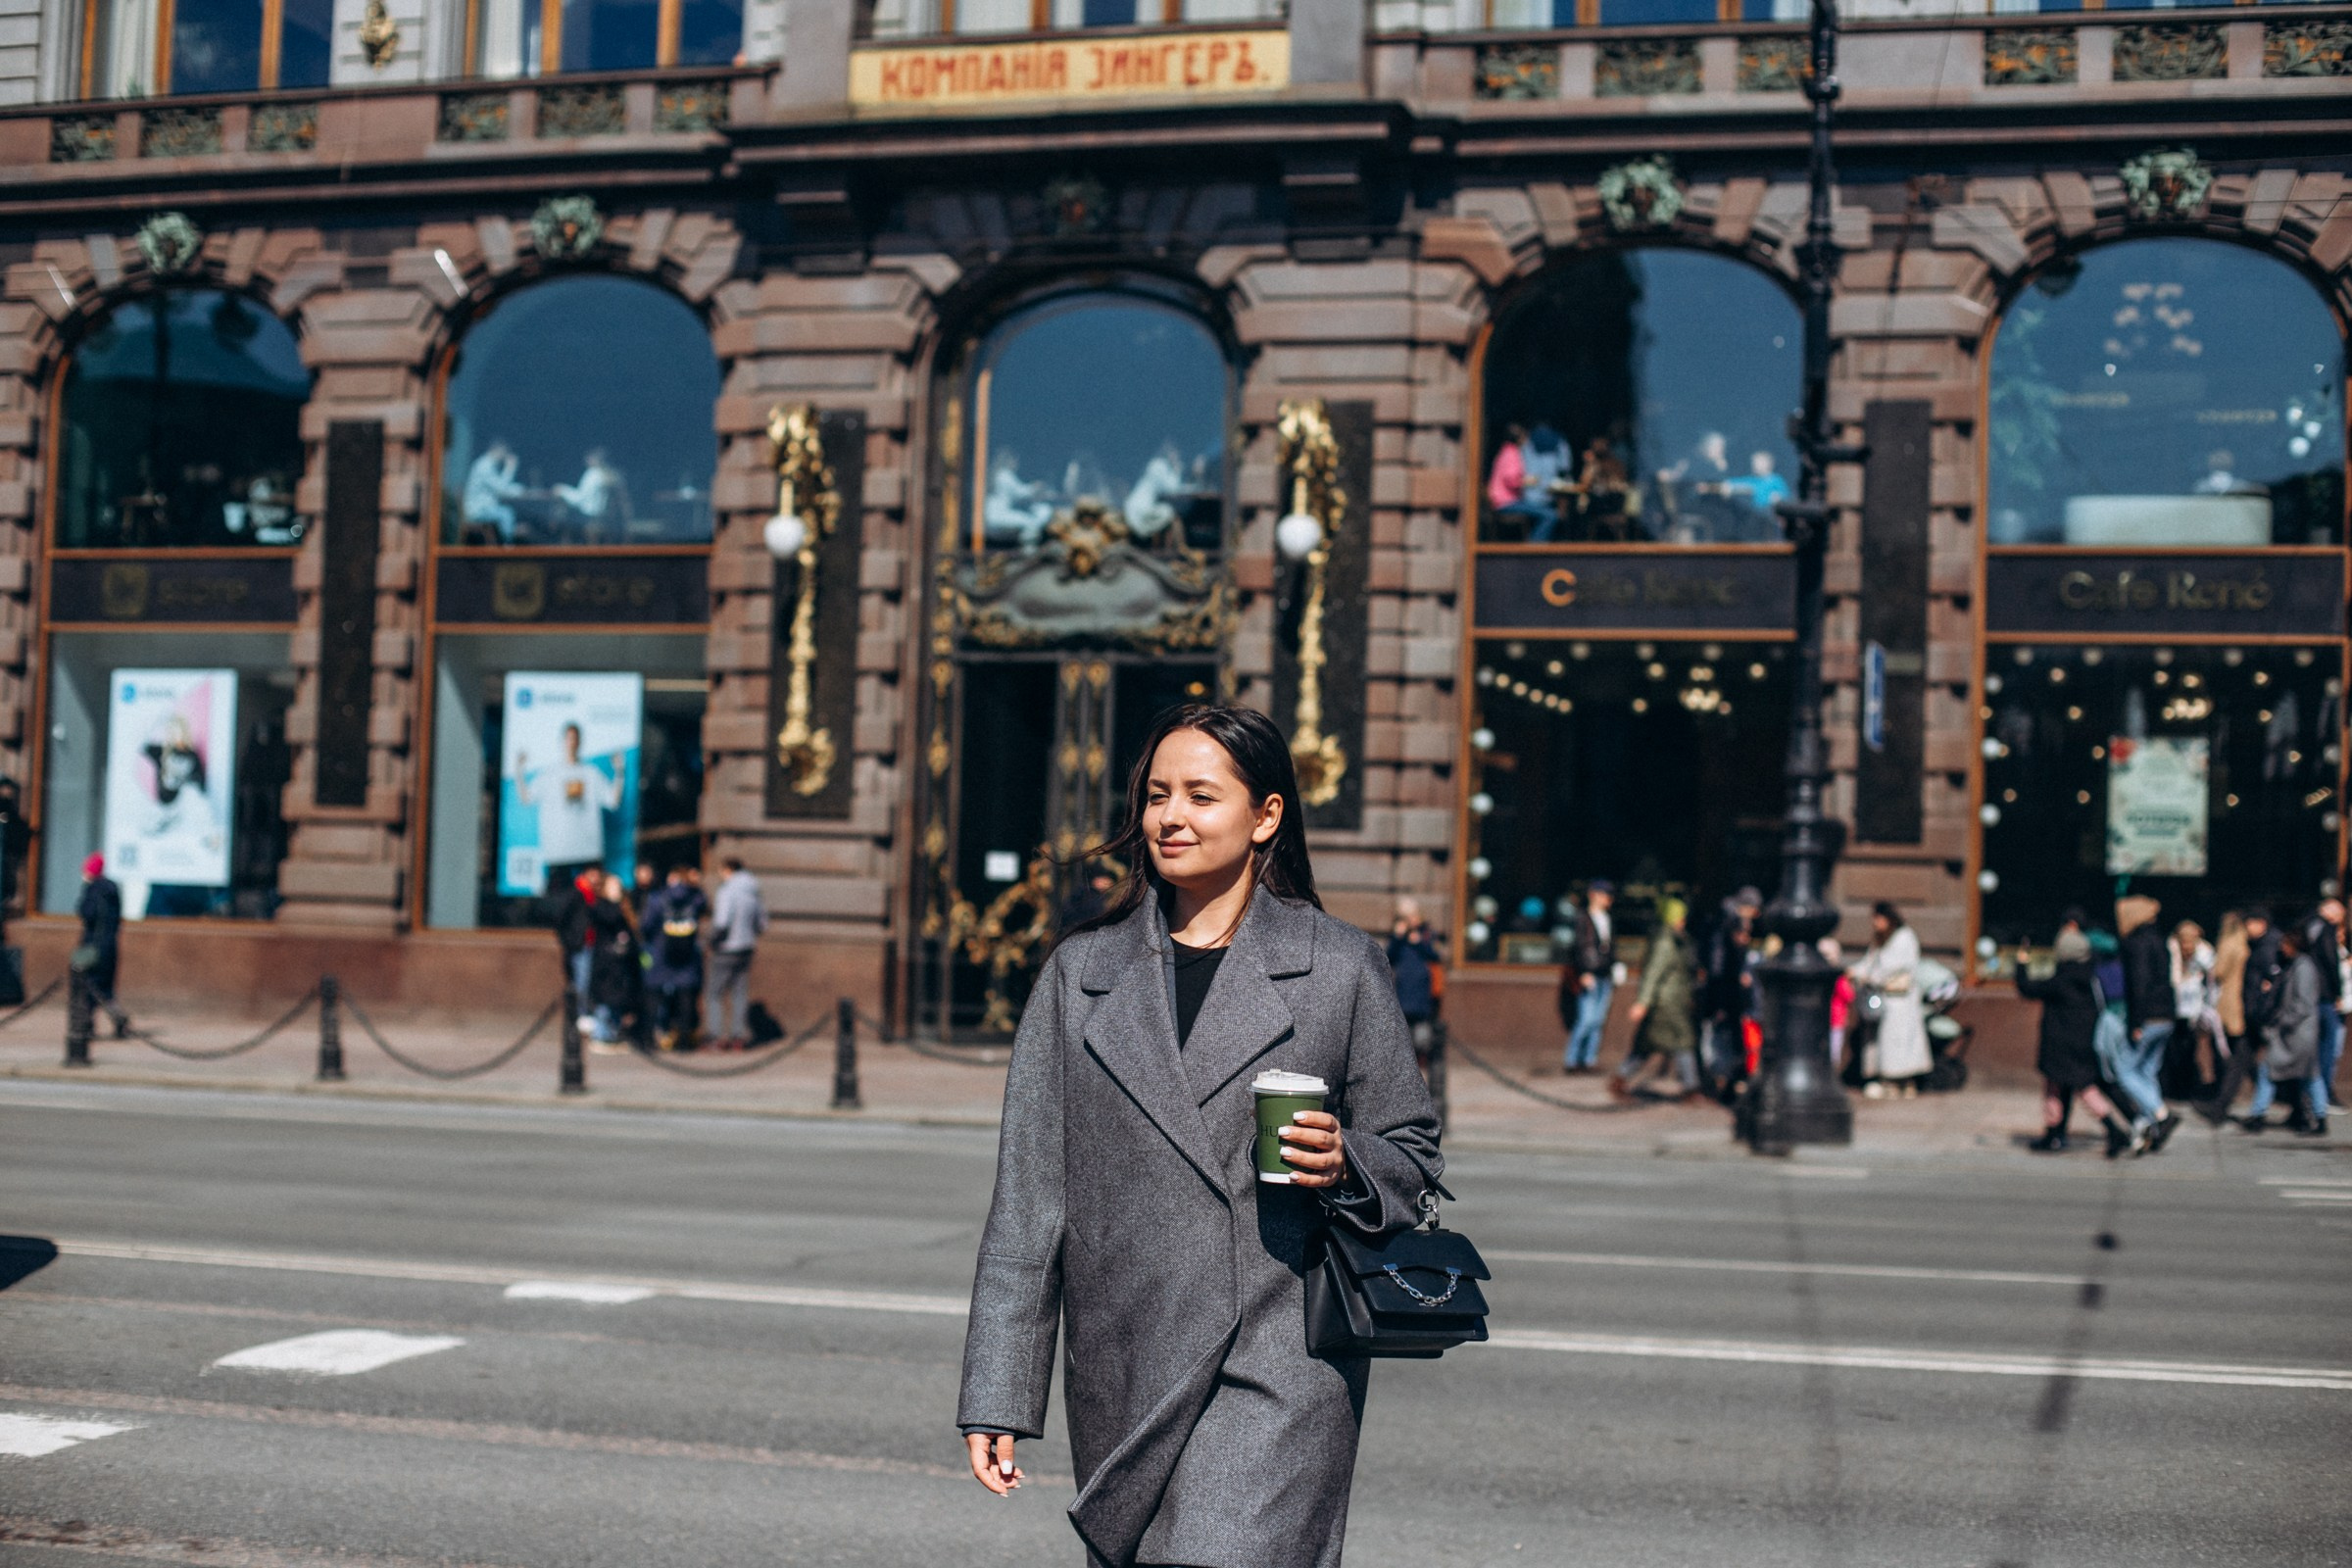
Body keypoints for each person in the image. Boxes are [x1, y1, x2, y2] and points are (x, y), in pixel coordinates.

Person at [956, 704, 1442, 1568]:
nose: (1170, 817)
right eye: (1156, 796)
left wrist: (1345, 1161)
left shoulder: (1337, 966)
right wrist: (999, 1391)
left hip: (1279, 1351)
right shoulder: (1082, 974)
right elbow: (1029, 1203)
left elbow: (1411, 1151)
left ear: (1265, 817)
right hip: (1125, 1357)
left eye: (1200, 796)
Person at [2017, 928, 2142, 1156]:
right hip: (2085, 1041)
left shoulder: (2061, 979)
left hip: (2060, 1044)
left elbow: (2027, 987)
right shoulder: (2091, 977)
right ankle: (2055, 1132)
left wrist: (2022, 961)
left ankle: (2110, 1129)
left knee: (2076, 1088)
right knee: (2069, 1086)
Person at [514, 722, 623, 885]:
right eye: (569, 738)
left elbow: (612, 801)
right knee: (560, 904)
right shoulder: (549, 774)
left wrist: (620, 773)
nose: (572, 742)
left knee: (590, 903)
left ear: (580, 742)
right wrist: (518, 772)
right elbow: (526, 798)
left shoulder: (591, 773)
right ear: (563, 741)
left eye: (575, 739)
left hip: (588, 851)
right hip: (559, 853)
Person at [2201, 906, 2283, 1124]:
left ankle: (2223, 1108)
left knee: (2243, 1059)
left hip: (2246, 1007)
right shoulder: (2255, 945)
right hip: (2248, 1007)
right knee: (2244, 1059)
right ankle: (2226, 1107)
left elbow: (2220, 972)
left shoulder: (2245, 945)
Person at [2245, 920, 2328, 1136]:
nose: (2282, 948)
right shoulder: (2297, 965)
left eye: (2285, 944)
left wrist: (2281, 1023)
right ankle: (2314, 1116)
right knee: (2306, 1074)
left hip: (2297, 1034)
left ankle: (2260, 1114)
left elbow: (2303, 1004)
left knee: (2283, 1072)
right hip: (2296, 1033)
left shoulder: (2303, 968)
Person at [1611, 897, 1696, 1101]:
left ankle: (1621, 1078)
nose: (1683, 921)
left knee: (1649, 1045)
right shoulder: (1665, 941)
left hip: (1673, 1001)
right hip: (1664, 1004)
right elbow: (1652, 973)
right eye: (1680, 917)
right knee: (1680, 1042)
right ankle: (1691, 1088)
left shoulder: (1677, 939)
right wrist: (1642, 1002)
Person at [2114, 894, 2182, 1150]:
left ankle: (2161, 1115)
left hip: (2149, 1015)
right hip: (2166, 1014)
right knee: (2146, 1072)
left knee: (2125, 1071)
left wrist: (2135, 1023)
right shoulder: (2158, 939)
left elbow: (2139, 985)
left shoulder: (2137, 943)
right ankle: (2149, 1130)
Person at [1850, 902, 1930, 1098]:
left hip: (1900, 999)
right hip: (1883, 999)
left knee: (1899, 1040)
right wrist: (1856, 971)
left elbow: (1891, 966)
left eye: (1877, 918)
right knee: (1886, 1041)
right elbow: (1870, 963)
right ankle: (1891, 1081)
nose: (1874, 923)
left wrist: (1866, 975)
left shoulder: (1903, 937)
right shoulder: (1880, 939)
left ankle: (1901, 1081)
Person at [1698, 887, 1762, 1096]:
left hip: (1729, 993)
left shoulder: (1731, 920)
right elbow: (1718, 964)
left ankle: (1727, 1080)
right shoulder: (1727, 922)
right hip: (1724, 994)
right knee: (1722, 1038)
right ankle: (1722, 1081)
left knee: (1730, 1039)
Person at [642, 865, 707, 1050]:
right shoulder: (695, 897)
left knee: (654, 996)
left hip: (660, 953)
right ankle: (684, 1041)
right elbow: (705, 906)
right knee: (686, 999)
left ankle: (648, 1038)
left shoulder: (657, 898)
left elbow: (646, 925)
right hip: (687, 955)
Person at [704, 856, 765, 1050]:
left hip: (726, 949)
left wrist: (711, 941)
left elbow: (722, 922)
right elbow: (762, 923)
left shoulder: (727, 891)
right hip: (746, 948)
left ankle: (715, 1036)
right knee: (739, 993)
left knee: (714, 993)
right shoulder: (753, 891)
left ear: (728, 870)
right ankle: (738, 1037)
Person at [1560, 880, 1616, 1073]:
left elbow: (1609, 947)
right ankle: (1572, 1059)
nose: (1608, 899)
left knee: (1598, 1020)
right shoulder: (1583, 918)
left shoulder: (1607, 918)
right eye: (1605, 895)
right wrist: (1583, 972)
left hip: (1605, 974)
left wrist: (1614, 966)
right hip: (1589, 974)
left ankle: (1589, 1059)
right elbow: (1580, 947)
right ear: (1594, 895)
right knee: (1586, 1019)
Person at [583, 871, 642, 1053]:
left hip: (619, 964)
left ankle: (611, 1035)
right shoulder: (601, 906)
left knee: (616, 1000)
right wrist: (617, 902)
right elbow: (609, 918)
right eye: (614, 886)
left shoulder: (623, 907)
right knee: (604, 1000)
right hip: (605, 963)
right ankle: (600, 1036)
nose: (618, 889)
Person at [74, 853, 130, 1039]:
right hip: (110, 945)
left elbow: (87, 913)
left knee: (88, 986)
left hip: (94, 945)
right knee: (105, 989)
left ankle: (84, 1026)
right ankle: (118, 1018)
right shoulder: (112, 890)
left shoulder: (94, 890)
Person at [2304, 898, 2346, 1113]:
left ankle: (2312, 1095)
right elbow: (2331, 960)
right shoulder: (2326, 928)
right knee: (2328, 1048)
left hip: (2308, 994)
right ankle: (2323, 1094)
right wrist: (2337, 992)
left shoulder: (2307, 924)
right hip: (2325, 996)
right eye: (2340, 915)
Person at [1388, 896, 1443, 1057]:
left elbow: (1435, 955)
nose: (1410, 920)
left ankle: (1421, 1060)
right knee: (1402, 1032)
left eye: (1412, 915)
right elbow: (1389, 956)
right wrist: (1398, 937)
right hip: (1403, 988)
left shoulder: (1426, 932)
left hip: (1421, 990)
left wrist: (1419, 942)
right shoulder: (1399, 935)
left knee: (1421, 1035)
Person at [1485, 423, 1547, 535]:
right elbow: (1511, 481)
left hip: (1503, 501)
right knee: (1549, 515)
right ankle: (1535, 548)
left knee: (1539, 509)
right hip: (1506, 503)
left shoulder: (1505, 451)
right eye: (1525, 437)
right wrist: (1528, 481)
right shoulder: (1512, 453)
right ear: (1519, 438)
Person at [462, 440, 524, 542]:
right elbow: (501, 489)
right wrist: (510, 468)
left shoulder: (489, 465)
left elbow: (499, 486)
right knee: (506, 514)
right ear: (497, 450)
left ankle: (509, 539)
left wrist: (519, 489)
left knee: (507, 513)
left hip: (484, 507)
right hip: (478, 510)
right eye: (503, 452)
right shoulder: (484, 466)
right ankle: (508, 546)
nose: (504, 456)